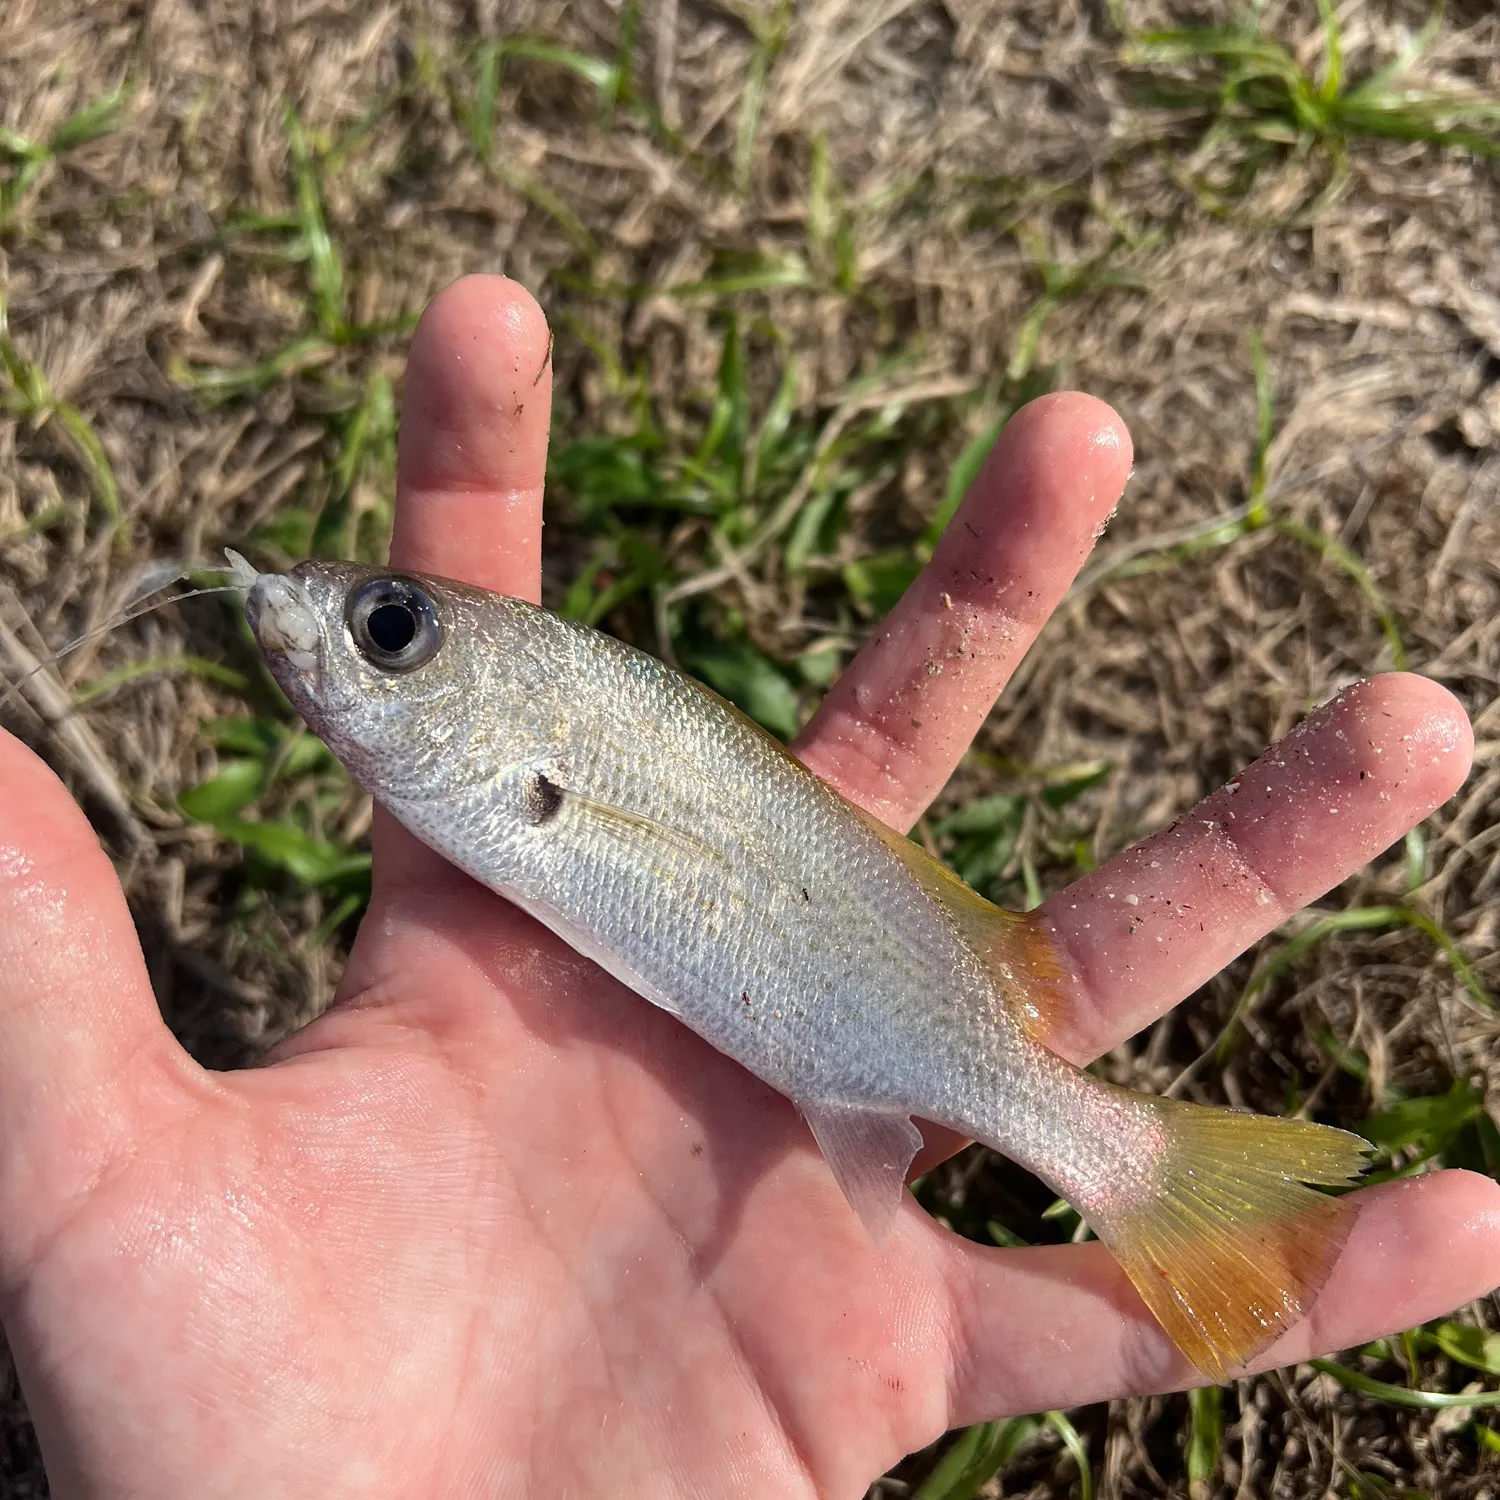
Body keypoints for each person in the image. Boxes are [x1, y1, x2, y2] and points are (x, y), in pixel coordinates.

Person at [0, 275, 1493, 1499]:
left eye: (391, 629)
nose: (342, 634)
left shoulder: (527, 759)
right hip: (855, 1029)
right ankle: (1153, 1178)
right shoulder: (484, 785)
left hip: (881, 1032)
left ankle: (1142, 1172)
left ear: (525, 724)